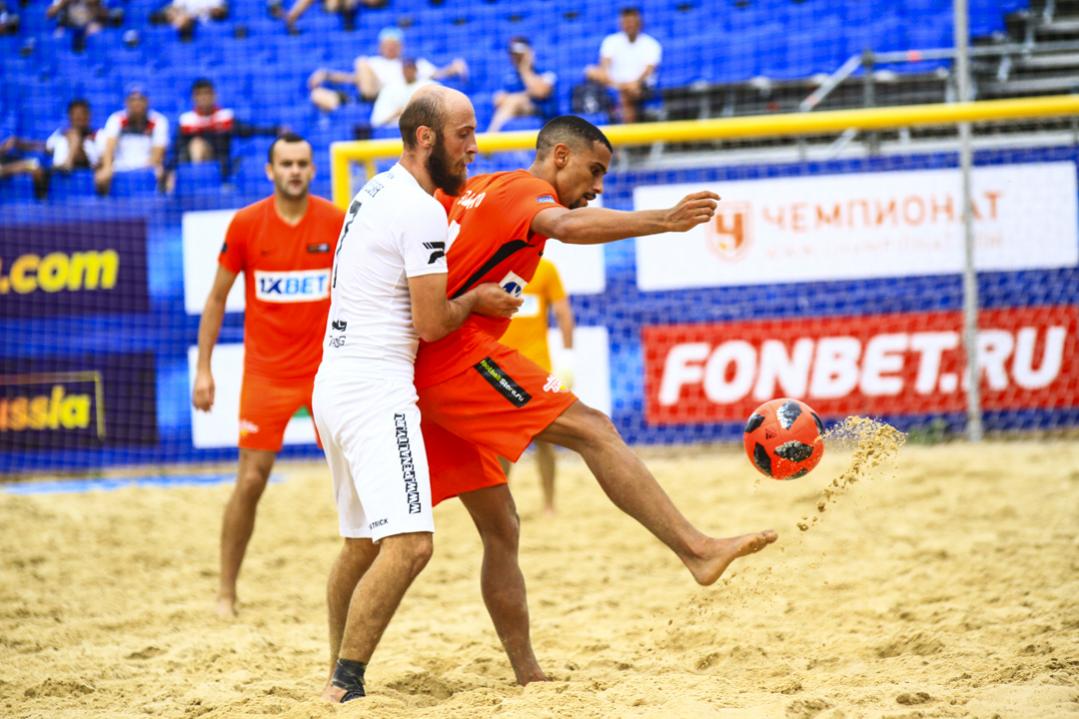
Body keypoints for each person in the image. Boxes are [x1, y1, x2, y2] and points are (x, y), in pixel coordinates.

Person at [414, 115, 776, 685]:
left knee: (497, 526)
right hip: (454, 361)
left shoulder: (481, 187)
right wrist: (664, 220)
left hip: (424, 365)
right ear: (559, 155)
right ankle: (697, 550)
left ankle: (525, 676)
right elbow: (566, 226)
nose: (599, 186)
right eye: (595, 170)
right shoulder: (526, 193)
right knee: (595, 429)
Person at [312, 86, 521, 703]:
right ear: (425, 137)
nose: (474, 148)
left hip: (335, 381)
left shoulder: (374, 189)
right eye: (464, 135)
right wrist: (477, 299)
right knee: (410, 544)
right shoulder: (421, 208)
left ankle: (333, 672)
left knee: (360, 544)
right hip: (376, 389)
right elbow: (431, 323)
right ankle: (343, 686)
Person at [191, 132, 346, 619]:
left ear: (313, 169)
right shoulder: (246, 224)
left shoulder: (336, 221)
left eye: (302, 163)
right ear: (270, 170)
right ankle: (226, 592)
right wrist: (203, 368)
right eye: (286, 163)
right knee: (252, 480)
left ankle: (370, 580)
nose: (294, 171)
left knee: (355, 476)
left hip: (326, 373)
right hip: (267, 375)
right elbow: (217, 298)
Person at [496, 257, 574, 514]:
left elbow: (563, 313)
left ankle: (548, 504)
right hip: (501, 366)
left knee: (539, 439)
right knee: (504, 443)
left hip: (533, 366)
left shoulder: (545, 269)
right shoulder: (496, 268)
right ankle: (519, 508)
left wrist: (568, 356)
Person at [307, 27, 466, 111]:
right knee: (317, 94)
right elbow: (353, 78)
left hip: (394, 97)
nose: (390, 48)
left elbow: (436, 74)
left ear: (400, 46)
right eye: (387, 45)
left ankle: (359, 106)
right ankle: (348, 111)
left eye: (393, 45)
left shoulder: (410, 64)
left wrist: (454, 67)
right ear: (381, 46)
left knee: (361, 62)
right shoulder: (374, 63)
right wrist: (326, 74)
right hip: (371, 94)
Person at [178, 78, 282, 178]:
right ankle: (197, 178)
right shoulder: (186, 121)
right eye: (199, 94)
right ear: (193, 97)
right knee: (196, 145)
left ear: (214, 95)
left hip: (222, 168)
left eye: (207, 93)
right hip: (193, 164)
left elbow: (249, 130)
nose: (204, 98)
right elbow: (177, 150)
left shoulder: (225, 117)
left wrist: (275, 130)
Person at [584, 6, 661, 124]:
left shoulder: (651, 44)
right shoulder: (611, 41)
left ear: (639, 23)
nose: (629, 25)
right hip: (614, 84)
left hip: (641, 86)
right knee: (590, 71)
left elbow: (649, 70)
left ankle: (628, 132)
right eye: (626, 22)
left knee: (627, 93)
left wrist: (633, 84)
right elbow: (604, 65)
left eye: (632, 22)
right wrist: (614, 82)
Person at [96, 85, 169, 195]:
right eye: (133, 100)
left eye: (140, 100)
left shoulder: (158, 121)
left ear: (147, 102)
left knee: (160, 173)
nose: (137, 104)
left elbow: (157, 154)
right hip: (120, 167)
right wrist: (107, 167)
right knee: (101, 176)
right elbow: (109, 147)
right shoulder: (116, 119)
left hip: (147, 168)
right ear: (127, 102)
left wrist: (139, 173)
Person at [488, 36, 558, 133]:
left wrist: (525, 69)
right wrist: (526, 94)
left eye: (519, 54)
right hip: (515, 111)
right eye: (513, 54)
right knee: (512, 102)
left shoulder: (545, 71)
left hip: (543, 113)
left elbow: (540, 92)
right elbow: (498, 99)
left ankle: (491, 134)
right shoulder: (509, 76)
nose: (516, 58)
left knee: (514, 101)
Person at [368, 57, 432, 128]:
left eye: (411, 68)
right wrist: (397, 113)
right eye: (406, 68)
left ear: (416, 69)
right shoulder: (390, 88)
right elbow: (376, 121)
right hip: (393, 128)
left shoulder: (428, 86)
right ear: (402, 70)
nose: (408, 71)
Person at [46, 98, 101, 174]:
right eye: (76, 115)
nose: (80, 118)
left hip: (90, 171)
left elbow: (100, 161)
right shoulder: (60, 133)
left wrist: (78, 143)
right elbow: (48, 148)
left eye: (83, 114)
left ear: (89, 116)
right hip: (60, 172)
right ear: (70, 116)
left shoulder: (98, 135)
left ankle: (67, 164)